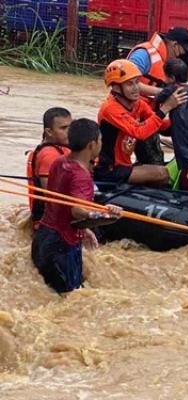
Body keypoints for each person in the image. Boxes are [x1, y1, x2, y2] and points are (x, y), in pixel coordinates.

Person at [32, 118, 122, 294]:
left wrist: (85, 230)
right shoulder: (81, 176)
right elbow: (78, 211)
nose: (101, 145)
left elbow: (62, 206)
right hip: (61, 247)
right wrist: (106, 215)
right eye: (100, 141)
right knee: (71, 299)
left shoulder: (60, 162)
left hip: (43, 237)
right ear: (92, 144)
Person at [95, 59, 183, 185]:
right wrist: (166, 107)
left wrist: (187, 123)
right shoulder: (110, 108)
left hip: (125, 165)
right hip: (109, 170)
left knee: (162, 170)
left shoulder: (138, 104)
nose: (136, 88)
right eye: (130, 84)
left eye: (137, 82)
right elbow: (139, 132)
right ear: (116, 87)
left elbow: (160, 125)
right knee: (162, 174)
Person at [127, 27, 188, 165]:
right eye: (183, 51)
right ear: (174, 45)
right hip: (134, 117)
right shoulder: (144, 55)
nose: (182, 56)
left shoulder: (165, 61)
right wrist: (164, 93)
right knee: (153, 163)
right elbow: (127, 82)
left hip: (151, 115)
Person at [157, 58, 188, 186]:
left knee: (181, 148)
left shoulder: (172, 89)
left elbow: (158, 98)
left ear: (171, 77)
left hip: (179, 124)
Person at [26, 107, 72, 228]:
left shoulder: (60, 147)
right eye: (63, 128)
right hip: (48, 224)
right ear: (49, 132)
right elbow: (53, 197)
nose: (69, 132)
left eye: (70, 127)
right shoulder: (49, 155)